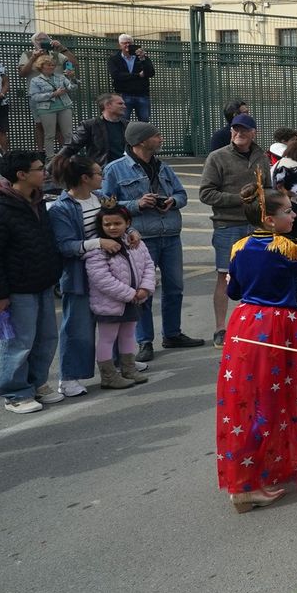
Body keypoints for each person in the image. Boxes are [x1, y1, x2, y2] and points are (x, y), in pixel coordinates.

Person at [214, 182, 297, 511]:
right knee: (270, 401)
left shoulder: (239, 247)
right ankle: (243, 485)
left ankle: (261, 468)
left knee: (248, 400)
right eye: (287, 211)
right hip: (278, 326)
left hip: (245, 322)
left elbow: (235, 291)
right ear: (269, 219)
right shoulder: (287, 248)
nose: (294, 214)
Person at [99, 121, 198, 359]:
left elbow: (182, 194)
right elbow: (106, 203)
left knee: (175, 288)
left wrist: (172, 201)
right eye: (157, 135)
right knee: (144, 290)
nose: (161, 138)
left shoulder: (163, 167)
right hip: (141, 239)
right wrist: (136, 204)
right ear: (141, 141)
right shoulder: (115, 169)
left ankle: (172, 334)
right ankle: (144, 341)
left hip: (170, 235)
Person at [0, 151, 64, 415]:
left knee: (46, 337)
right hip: (18, 288)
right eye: (38, 169)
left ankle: (37, 383)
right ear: (21, 174)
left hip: (42, 282)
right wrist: (2, 293)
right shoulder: (3, 208)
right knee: (20, 342)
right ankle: (15, 392)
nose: (44, 172)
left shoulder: (38, 202)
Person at [199, 114, 270, 347]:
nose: (239, 133)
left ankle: (257, 324)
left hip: (257, 224)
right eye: (235, 129)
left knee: (259, 274)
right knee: (224, 275)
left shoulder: (261, 157)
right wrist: (239, 199)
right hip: (228, 224)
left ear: (254, 132)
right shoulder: (217, 157)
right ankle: (221, 328)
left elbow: (267, 189)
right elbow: (206, 193)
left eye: (244, 129)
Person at [50, 157, 112, 396]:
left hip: (106, 272)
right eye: (98, 173)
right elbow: (66, 246)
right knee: (77, 328)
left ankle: (115, 365)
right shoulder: (62, 208)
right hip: (78, 276)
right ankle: (68, 378)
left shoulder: (101, 199)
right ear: (84, 178)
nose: (102, 177)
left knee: (112, 320)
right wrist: (99, 243)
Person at [82, 202, 154, 391]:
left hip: (134, 300)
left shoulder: (135, 242)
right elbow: (101, 279)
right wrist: (130, 294)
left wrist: (145, 288)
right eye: (107, 224)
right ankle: (108, 375)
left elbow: (148, 265)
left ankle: (128, 369)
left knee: (128, 334)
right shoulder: (98, 249)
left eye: (117, 223)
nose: (112, 227)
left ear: (127, 223)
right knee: (107, 338)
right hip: (110, 303)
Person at [60, 93, 128, 166]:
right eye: (120, 104)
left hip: (125, 169)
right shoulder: (89, 125)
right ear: (108, 105)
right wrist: (49, 169)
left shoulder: (128, 125)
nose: (124, 106)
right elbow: (70, 147)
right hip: (101, 170)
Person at [27, 55, 76, 156]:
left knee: (68, 133)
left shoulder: (61, 77)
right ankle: (50, 157)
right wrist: (52, 94)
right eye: (48, 65)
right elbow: (34, 97)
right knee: (49, 135)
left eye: (53, 65)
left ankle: (70, 156)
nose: (51, 67)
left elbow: (72, 87)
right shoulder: (35, 80)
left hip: (64, 106)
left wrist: (72, 77)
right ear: (41, 66)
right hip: (46, 109)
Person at [108, 35, 155, 123]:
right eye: (124, 43)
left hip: (142, 94)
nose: (127, 45)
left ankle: (142, 137)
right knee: (122, 121)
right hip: (123, 95)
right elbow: (116, 75)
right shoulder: (114, 59)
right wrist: (137, 75)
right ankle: (123, 137)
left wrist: (143, 59)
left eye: (129, 43)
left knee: (144, 122)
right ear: (120, 45)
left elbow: (151, 73)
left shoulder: (141, 58)